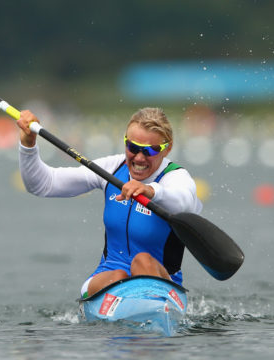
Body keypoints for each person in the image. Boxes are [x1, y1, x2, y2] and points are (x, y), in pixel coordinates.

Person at [17, 107, 202, 298]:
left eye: (150, 151)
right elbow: (42, 184)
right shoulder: (112, 168)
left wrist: (152, 191)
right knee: (118, 275)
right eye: (133, 147)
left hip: (163, 283)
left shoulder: (175, 178)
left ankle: (148, 299)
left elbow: (186, 204)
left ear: (168, 148)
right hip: (108, 277)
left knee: (142, 261)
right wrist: (28, 145)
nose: (139, 157)